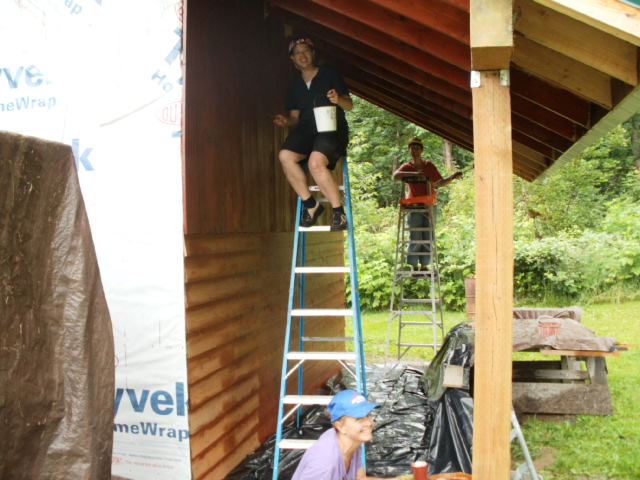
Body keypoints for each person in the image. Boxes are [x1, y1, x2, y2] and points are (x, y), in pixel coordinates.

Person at [274, 37, 353, 231]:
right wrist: (286, 122)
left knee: (315, 163)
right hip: (307, 130)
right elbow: (295, 118)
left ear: (313, 53)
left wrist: (337, 99)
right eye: (297, 53)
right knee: (285, 156)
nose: (302, 55)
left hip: (331, 129)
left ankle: (338, 213)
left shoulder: (329, 74)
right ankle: (311, 205)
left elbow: (349, 105)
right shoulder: (295, 85)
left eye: (306, 51)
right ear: (292, 59)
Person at [291, 390, 406, 480]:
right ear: (340, 426)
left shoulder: (352, 442)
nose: (368, 423)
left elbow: (360, 478)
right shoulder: (325, 464)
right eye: (358, 419)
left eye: (368, 415)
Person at [392, 137, 462, 270]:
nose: (415, 151)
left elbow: (440, 182)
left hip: (429, 205)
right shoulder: (408, 166)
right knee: (415, 236)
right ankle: (414, 266)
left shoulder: (429, 165)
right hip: (414, 205)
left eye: (417, 148)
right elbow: (395, 175)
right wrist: (415, 174)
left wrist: (453, 177)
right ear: (409, 150)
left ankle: (424, 266)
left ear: (422, 150)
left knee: (428, 235)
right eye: (412, 148)